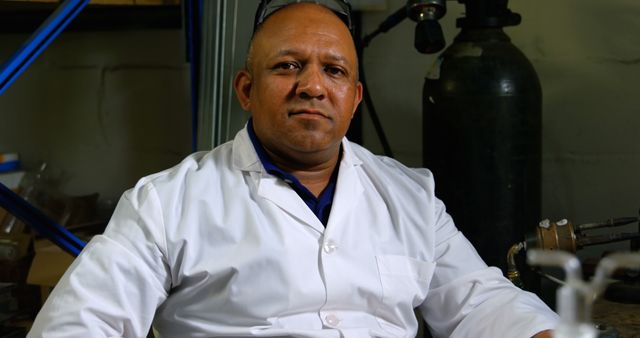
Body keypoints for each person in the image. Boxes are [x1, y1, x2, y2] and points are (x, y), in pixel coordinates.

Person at [28, 1, 558, 337]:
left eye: (333, 70)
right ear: (245, 90)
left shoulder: (410, 197)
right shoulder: (166, 202)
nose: (312, 85)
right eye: (287, 66)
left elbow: (478, 303)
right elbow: (81, 321)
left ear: (353, 100)